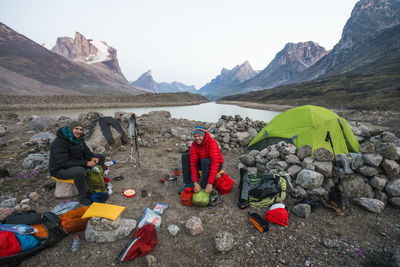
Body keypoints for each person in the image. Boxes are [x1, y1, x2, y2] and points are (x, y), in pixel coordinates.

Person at [49, 121, 105, 205]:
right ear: (71, 129)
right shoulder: (59, 142)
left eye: (81, 129)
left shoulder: (79, 138)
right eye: (76, 129)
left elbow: (86, 153)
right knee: (79, 170)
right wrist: (86, 163)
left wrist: (92, 157)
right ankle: (83, 196)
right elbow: (63, 163)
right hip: (60, 169)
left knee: (100, 157)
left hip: (75, 163)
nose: (79, 131)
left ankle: (97, 182)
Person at [181, 126, 224, 193]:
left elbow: (215, 163)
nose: (197, 138)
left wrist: (210, 183)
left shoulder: (211, 143)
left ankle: (204, 185)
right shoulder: (194, 145)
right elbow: (193, 164)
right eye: (195, 136)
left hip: (216, 164)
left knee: (205, 161)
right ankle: (188, 184)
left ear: (203, 136)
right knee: (185, 157)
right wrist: (195, 182)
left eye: (199, 136)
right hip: (203, 163)